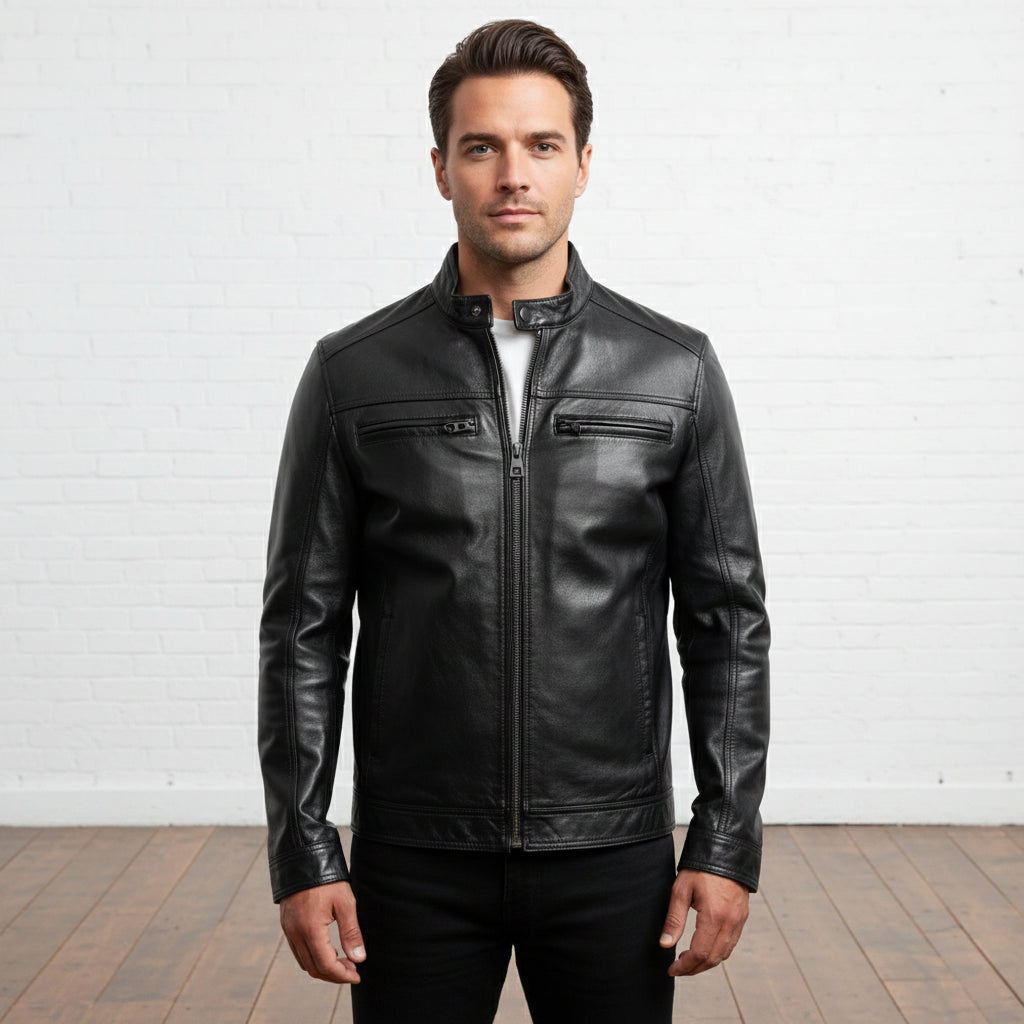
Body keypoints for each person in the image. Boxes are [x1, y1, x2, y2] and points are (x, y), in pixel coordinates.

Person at [258, 18, 770, 1024]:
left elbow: (727, 624)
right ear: (440, 169)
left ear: (583, 164)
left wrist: (724, 839)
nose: (513, 174)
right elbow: (302, 631)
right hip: (413, 856)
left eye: (541, 144)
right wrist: (303, 849)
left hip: (613, 852)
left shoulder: (672, 371)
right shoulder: (353, 374)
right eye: (481, 146)